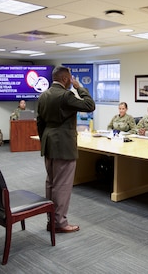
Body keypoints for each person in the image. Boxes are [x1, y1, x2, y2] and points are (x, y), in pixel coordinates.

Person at [37, 66, 95, 233]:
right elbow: (90, 105)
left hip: (49, 143)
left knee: (51, 182)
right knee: (62, 185)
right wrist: (79, 88)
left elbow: (39, 123)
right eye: (70, 78)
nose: (71, 81)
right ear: (65, 79)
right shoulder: (65, 95)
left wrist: (45, 140)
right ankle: (60, 223)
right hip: (63, 145)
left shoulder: (44, 95)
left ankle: (51, 220)